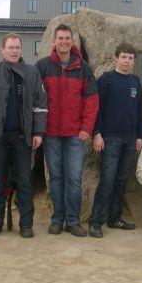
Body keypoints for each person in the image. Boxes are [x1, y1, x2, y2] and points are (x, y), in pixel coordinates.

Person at [0, 33, 47, 239]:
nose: (15, 51)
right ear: (2, 50)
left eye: (17, 47)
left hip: (22, 137)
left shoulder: (32, 73)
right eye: (11, 47)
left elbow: (40, 106)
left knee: (25, 181)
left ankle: (26, 224)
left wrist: (38, 132)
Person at [36, 24, 99, 237]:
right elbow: (36, 100)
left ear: (72, 42)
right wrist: (39, 128)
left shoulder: (83, 68)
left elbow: (91, 101)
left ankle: (73, 221)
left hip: (75, 134)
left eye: (67, 38)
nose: (64, 42)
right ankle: (57, 219)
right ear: (54, 42)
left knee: (73, 177)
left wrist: (86, 128)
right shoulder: (43, 66)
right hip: (51, 133)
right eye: (60, 38)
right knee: (55, 178)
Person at [88, 42, 142, 238]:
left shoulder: (136, 82)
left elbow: (139, 111)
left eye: (130, 58)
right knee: (107, 182)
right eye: (124, 57)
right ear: (116, 58)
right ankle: (95, 222)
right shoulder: (106, 80)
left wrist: (139, 136)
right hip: (109, 138)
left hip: (130, 139)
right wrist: (97, 134)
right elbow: (97, 109)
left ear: (134, 61)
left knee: (121, 182)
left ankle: (114, 218)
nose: (127, 61)